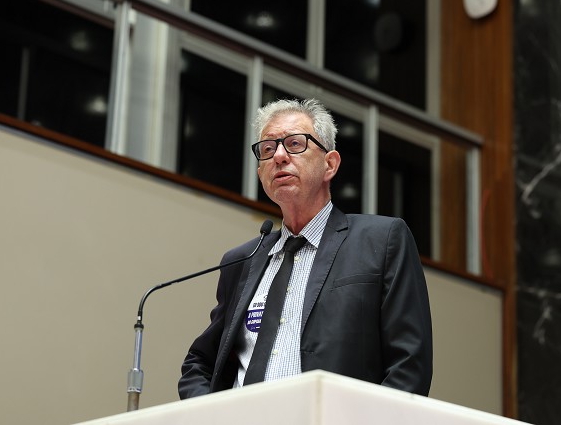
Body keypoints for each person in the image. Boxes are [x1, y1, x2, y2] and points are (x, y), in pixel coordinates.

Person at [178, 98, 432, 398]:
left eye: (295, 144)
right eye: (268, 149)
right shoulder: (242, 261)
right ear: (260, 173)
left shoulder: (381, 240)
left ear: (330, 164)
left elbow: (409, 364)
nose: (279, 156)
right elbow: (200, 363)